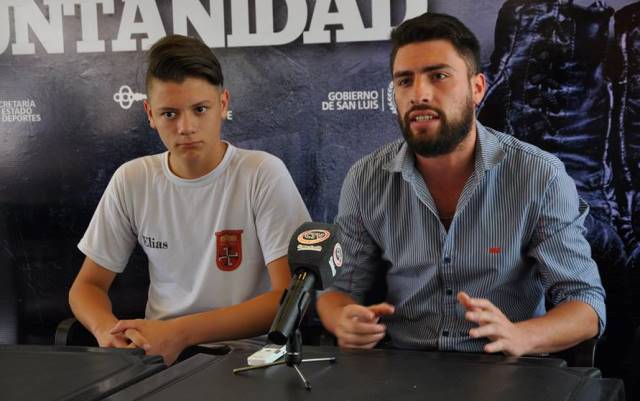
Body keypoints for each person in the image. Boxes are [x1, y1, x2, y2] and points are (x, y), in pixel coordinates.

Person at [316, 13, 606, 356]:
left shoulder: (538, 175)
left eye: (438, 76)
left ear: (477, 87)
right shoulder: (366, 178)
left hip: (506, 369)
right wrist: (342, 320)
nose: (419, 93)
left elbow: (585, 305)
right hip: (405, 369)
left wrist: (521, 336)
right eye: (405, 81)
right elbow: (338, 290)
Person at [69, 35, 310, 364]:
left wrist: (180, 332)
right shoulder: (132, 179)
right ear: (150, 114)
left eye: (200, 109)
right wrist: (106, 330)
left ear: (223, 104)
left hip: (250, 359)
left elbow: (288, 299)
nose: (186, 127)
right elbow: (87, 286)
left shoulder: (262, 174)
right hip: (158, 358)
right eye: (169, 114)